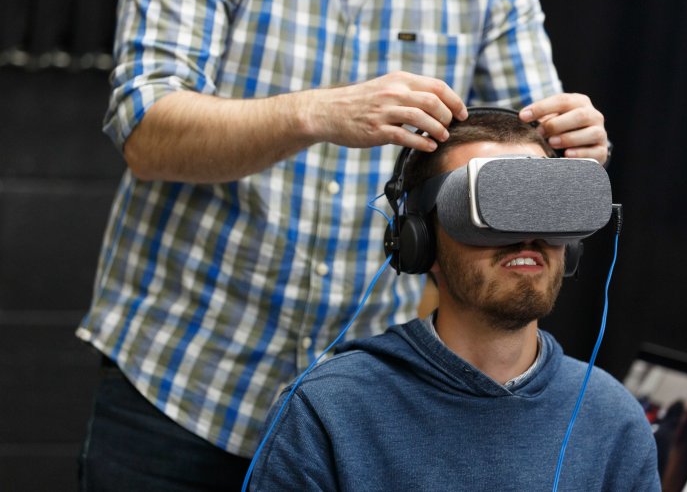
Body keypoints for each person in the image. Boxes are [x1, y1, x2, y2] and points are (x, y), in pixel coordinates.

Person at [76, 0, 611, 488]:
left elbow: (533, 155)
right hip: (182, 384)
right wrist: (315, 114)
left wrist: (574, 149)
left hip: (365, 416)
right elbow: (145, 134)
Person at [248, 111, 659, 491]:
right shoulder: (327, 413)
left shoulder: (611, 419)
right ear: (419, 243)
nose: (526, 236)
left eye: (541, 202)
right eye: (493, 206)